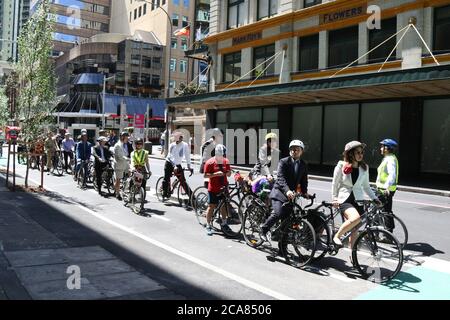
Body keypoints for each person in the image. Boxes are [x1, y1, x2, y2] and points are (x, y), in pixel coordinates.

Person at [331, 141, 382, 249]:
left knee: (354, 230)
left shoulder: (364, 168)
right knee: (355, 218)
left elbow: (366, 186)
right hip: (345, 199)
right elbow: (335, 183)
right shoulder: (341, 165)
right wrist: (335, 198)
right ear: (350, 154)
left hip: (358, 200)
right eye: (358, 152)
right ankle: (337, 236)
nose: (360, 155)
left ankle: (353, 256)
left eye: (362, 152)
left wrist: (374, 198)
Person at [260, 140, 312, 242]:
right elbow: (280, 178)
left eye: (297, 149)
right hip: (279, 192)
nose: (294, 151)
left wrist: (305, 192)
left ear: (301, 152)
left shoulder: (303, 164)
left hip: (290, 195)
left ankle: (282, 248)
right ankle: (264, 229)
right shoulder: (284, 161)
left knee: (287, 222)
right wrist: (287, 191)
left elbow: (304, 180)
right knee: (278, 213)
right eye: (292, 149)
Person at [203, 144, 232, 236]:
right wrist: (215, 174)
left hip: (223, 187)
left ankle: (224, 223)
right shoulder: (210, 162)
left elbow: (229, 174)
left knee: (223, 206)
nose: (221, 157)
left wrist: (228, 173)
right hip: (213, 188)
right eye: (219, 155)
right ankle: (208, 224)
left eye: (222, 155)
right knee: (211, 206)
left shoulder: (226, 161)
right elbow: (205, 175)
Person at [376, 138, 399, 233]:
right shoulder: (388, 158)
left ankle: (386, 233)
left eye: (382, 146)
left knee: (383, 210)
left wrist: (386, 187)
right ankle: (378, 232)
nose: (381, 148)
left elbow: (392, 175)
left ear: (387, 148)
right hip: (383, 188)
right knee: (381, 210)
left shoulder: (390, 160)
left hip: (385, 190)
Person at [162, 132, 193, 199]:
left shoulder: (185, 145)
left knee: (183, 181)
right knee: (166, 179)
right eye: (177, 138)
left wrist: (189, 166)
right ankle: (164, 193)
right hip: (169, 163)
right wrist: (174, 165)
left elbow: (187, 156)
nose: (178, 140)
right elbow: (171, 156)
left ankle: (192, 198)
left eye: (180, 138)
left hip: (177, 164)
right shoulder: (172, 145)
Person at [113, 131, 133, 200]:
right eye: (126, 137)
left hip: (126, 163)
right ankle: (117, 193)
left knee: (131, 174)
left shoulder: (125, 144)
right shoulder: (118, 145)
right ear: (122, 137)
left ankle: (126, 189)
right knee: (118, 180)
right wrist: (128, 159)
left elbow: (129, 153)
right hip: (119, 164)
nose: (127, 139)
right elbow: (120, 156)